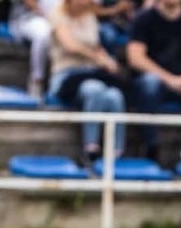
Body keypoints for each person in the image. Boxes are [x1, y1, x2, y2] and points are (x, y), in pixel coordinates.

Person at [125, 0, 181, 160]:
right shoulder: (144, 18)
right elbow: (135, 57)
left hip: (180, 82)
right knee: (149, 84)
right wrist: (168, 79)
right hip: (148, 83)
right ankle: (151, 146)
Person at [49, 0, 129, 164]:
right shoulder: (58, 15)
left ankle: (116, 151)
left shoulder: (90, 17)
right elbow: (70, 45)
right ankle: (90, 148)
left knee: (115, 95)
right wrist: (95, 58)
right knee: (95, 89)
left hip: (90, 72)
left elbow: (97, 47)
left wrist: (108, 61)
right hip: (66, 75)